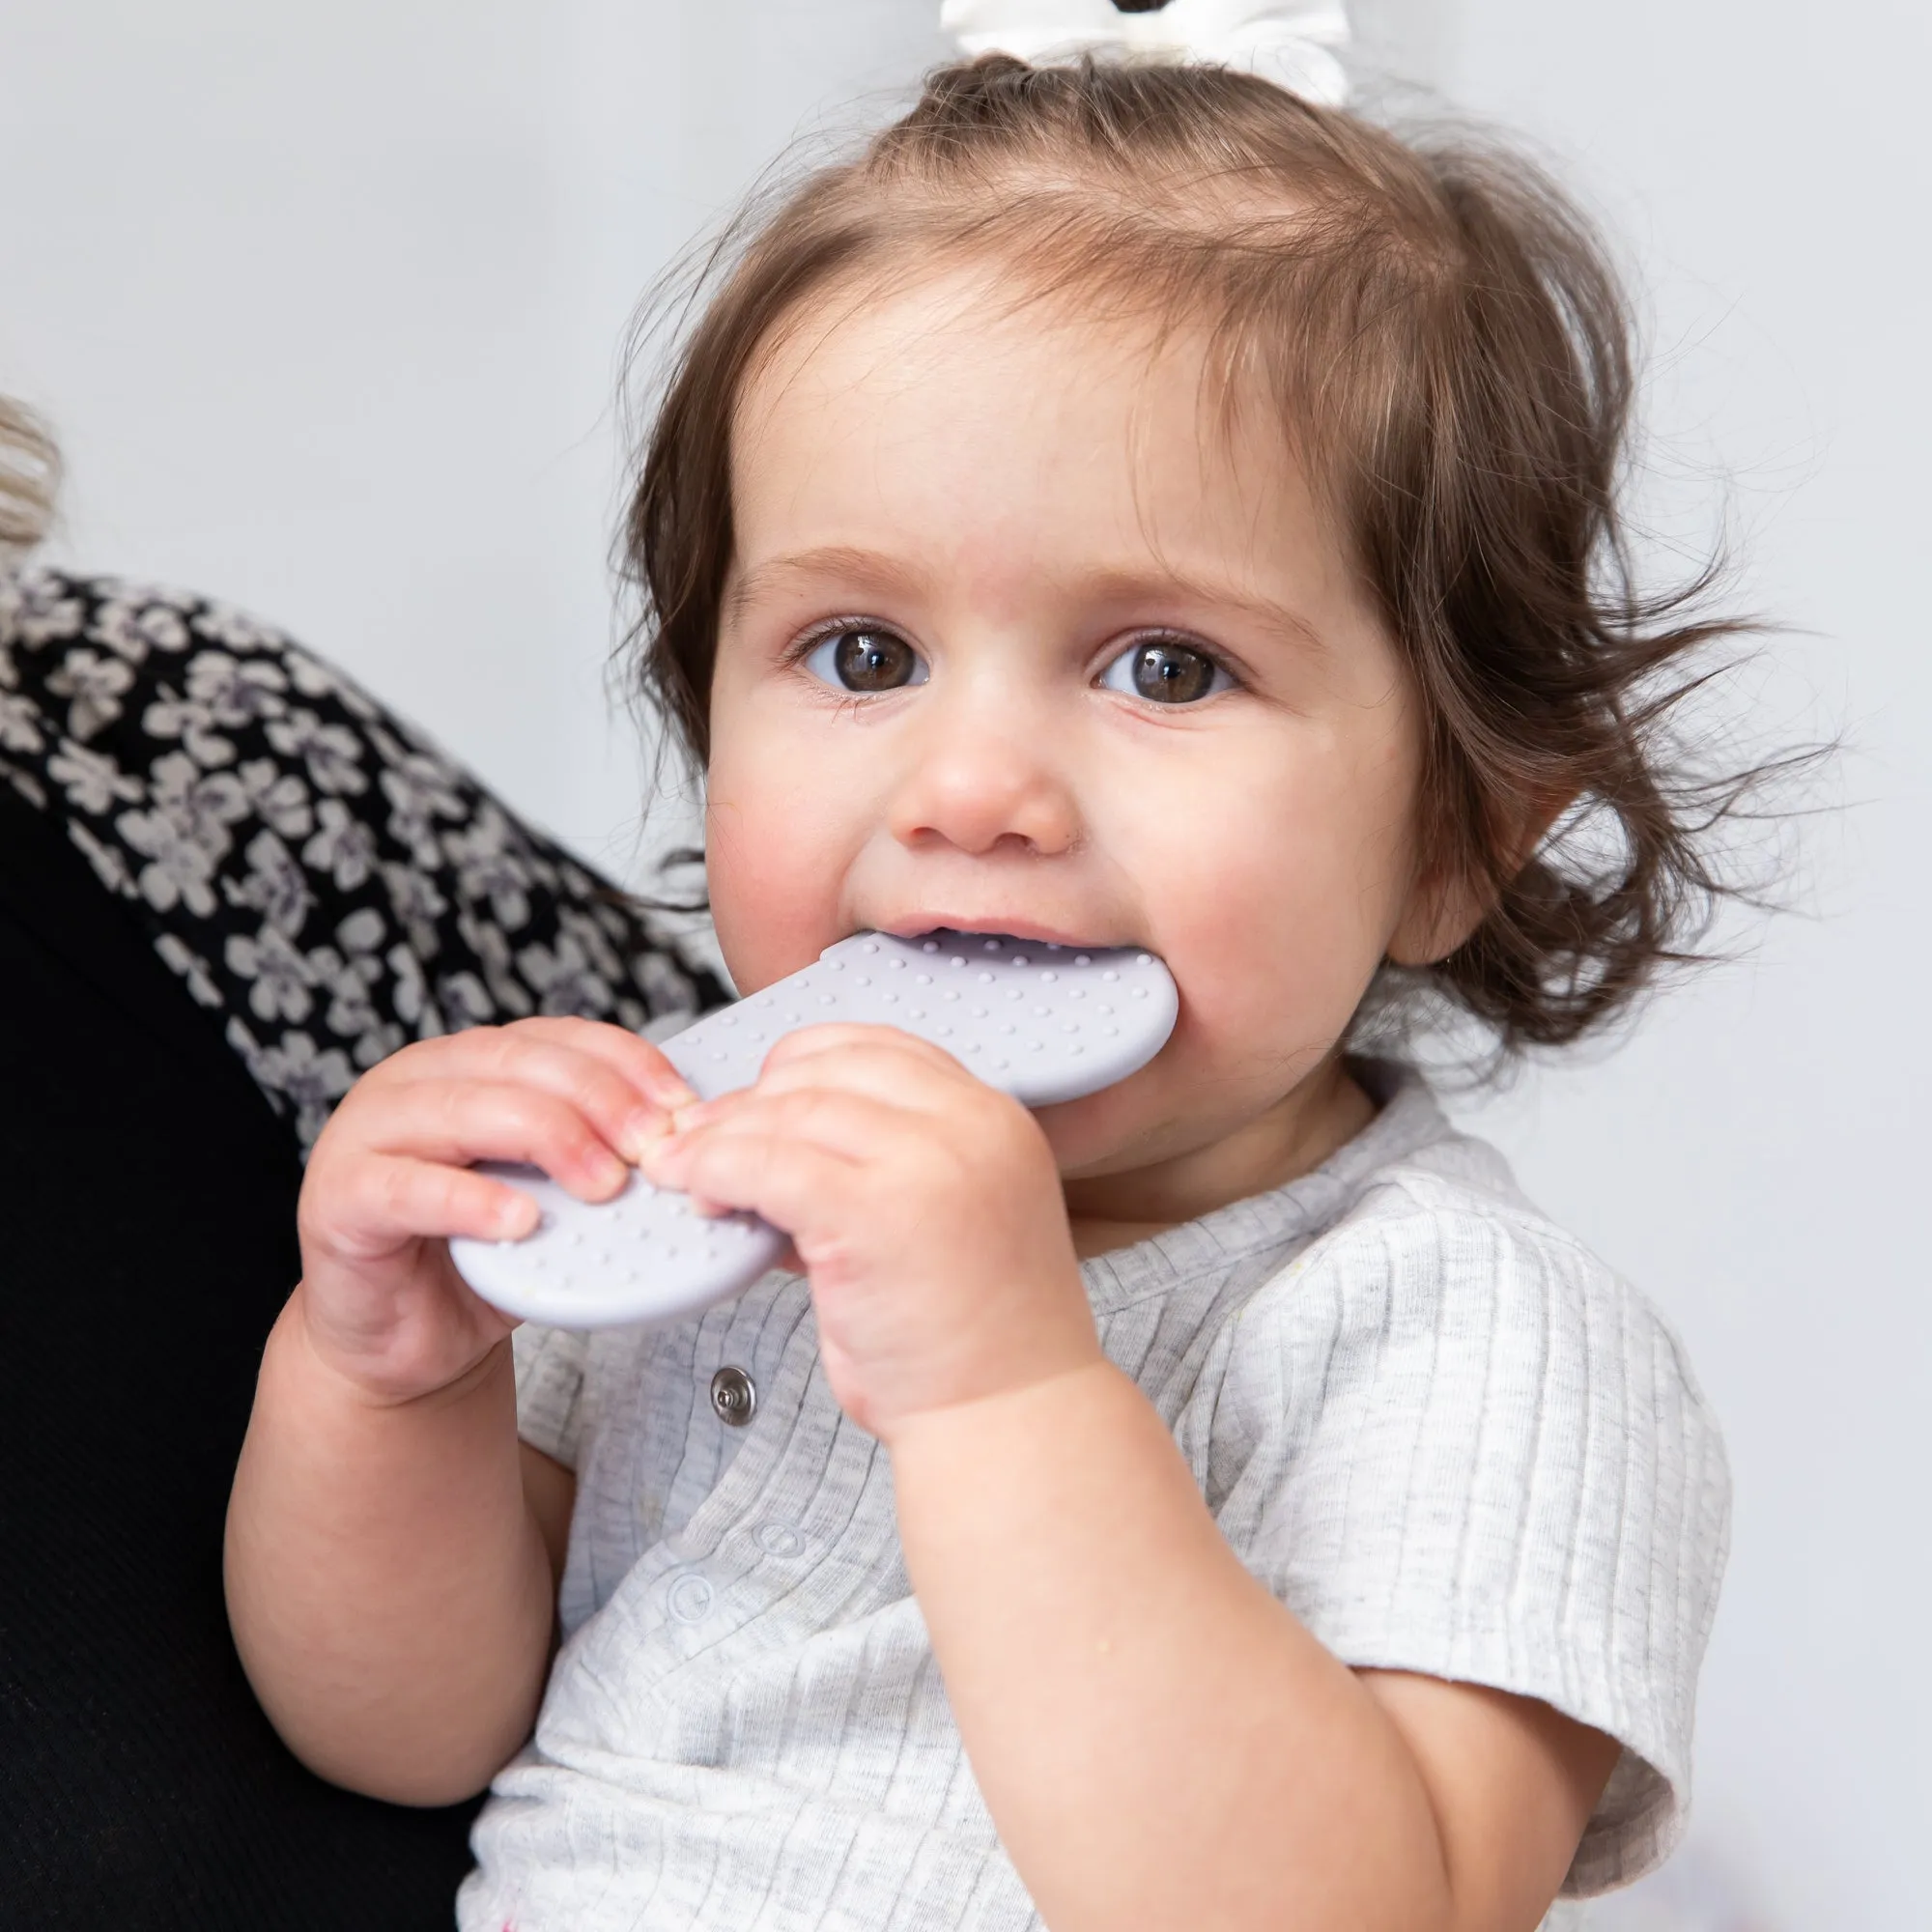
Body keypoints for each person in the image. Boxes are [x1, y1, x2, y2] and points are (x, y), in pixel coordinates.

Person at [224, 19, 1755, 1932]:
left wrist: (1004, 1389)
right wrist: (381, 1387)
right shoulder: (687, 1201)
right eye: (861, 654)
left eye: (1166, 667)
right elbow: (413, 1731)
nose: (970, 791)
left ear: (1458, 837)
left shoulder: (1462, 1338)